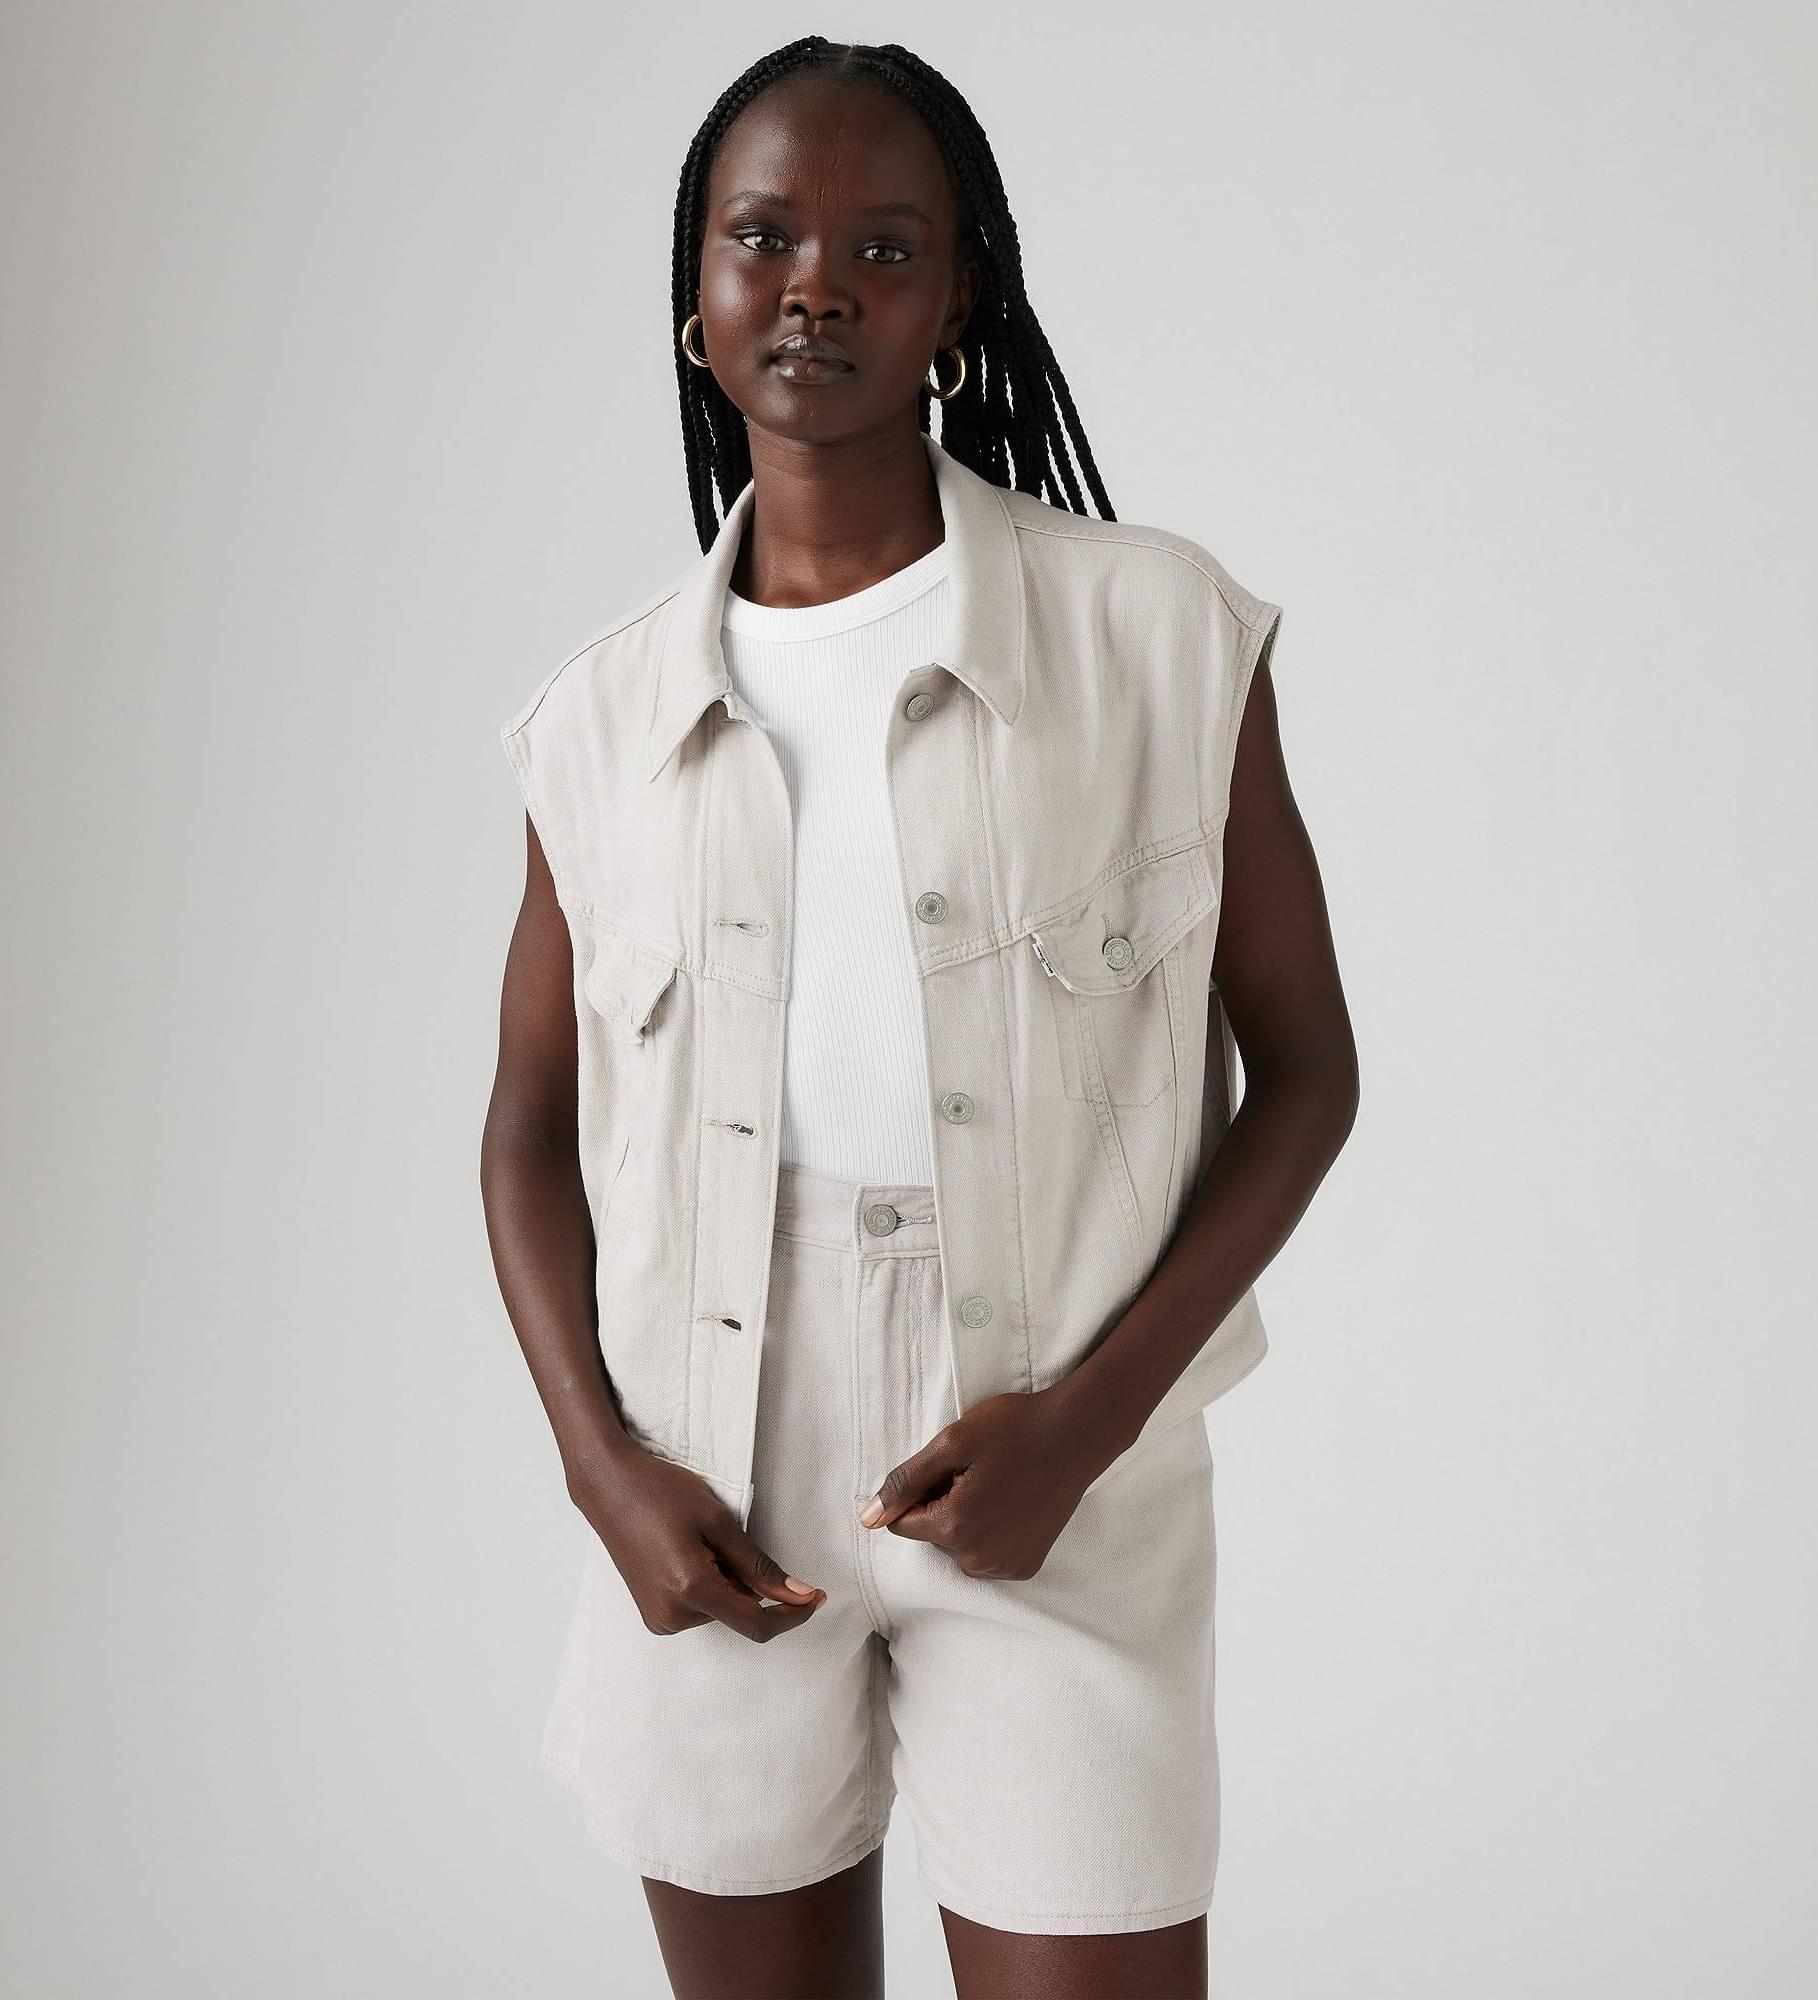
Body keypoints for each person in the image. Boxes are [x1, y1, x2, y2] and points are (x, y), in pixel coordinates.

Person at [481, 35, 1358, 2000]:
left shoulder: (1158, 633)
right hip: (710, 1460)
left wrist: (1091, 1424)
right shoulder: (599, 720)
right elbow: (525, 1125)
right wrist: (604, 1469)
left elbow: (1307, 1070)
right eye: (762, 238)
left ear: (962, 299)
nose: (815, 286)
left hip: (1058, 1438)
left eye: (882, 248)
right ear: (696, 289)